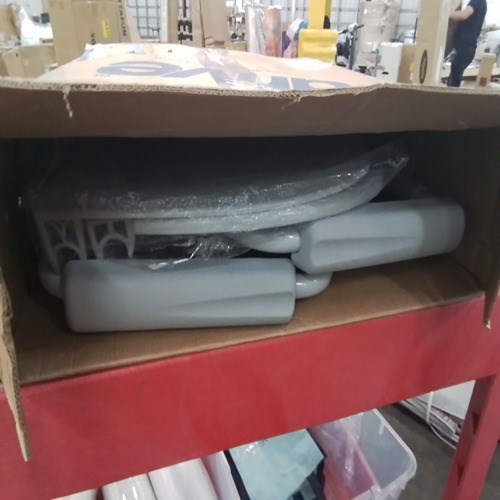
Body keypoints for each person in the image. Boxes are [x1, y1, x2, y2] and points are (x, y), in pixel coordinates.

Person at [447, 0, 487, 87]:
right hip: (465, 47)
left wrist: (445, 13)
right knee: (452, 79)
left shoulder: (478, 1)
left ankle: (451, 95)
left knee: (453, 82)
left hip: (466, 47)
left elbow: (463, 15)